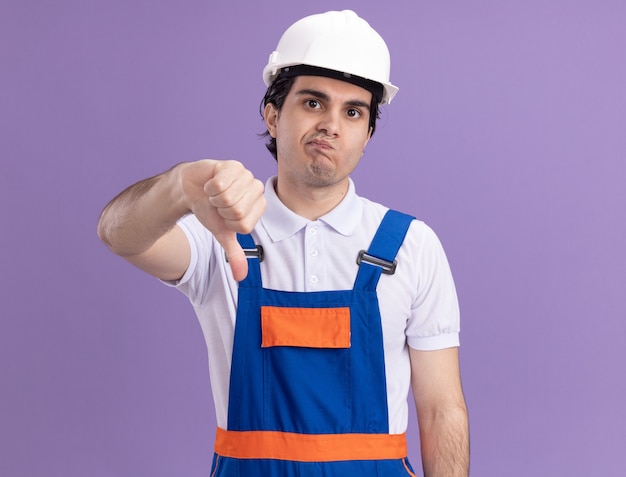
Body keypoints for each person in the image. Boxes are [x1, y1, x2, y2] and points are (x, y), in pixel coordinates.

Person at [98, 9, 469, 477]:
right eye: (313, 103)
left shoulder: (411, 246)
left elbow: (441, 410)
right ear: (273, 115)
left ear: (368, 133)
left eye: (353, 111)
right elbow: (117, 233)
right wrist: (178, 186)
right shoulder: (221, 234)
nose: (332, 125)